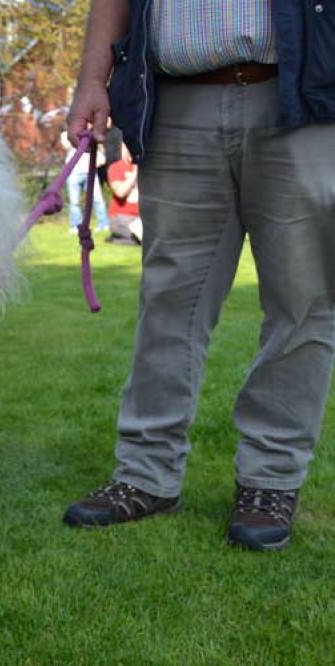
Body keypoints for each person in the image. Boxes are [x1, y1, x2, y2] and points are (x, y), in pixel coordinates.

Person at [61, 1, 335, 551]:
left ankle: (271, 479)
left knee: (302, 302)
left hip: (302, 93)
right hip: (175, 96)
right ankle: (145, 474)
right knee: (169, 302)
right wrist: (92, 80)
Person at [61, 129, 108, 234]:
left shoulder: (90, 133)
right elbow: (67, 145)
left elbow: (99, 147)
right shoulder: (66, 134)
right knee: (74, 202)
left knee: (98, 199)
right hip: (73, 173)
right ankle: (75, 226)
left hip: (89, 172)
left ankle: (103, 224)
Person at [104, 142, 141, 246]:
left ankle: (119, 239)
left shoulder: (148, 167)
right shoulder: (116, 168)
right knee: (145, 238)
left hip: (142, 218)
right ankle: (124, 237)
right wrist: (135, 172)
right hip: (122, 217)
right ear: (123, 149)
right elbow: (120, 192)